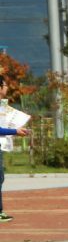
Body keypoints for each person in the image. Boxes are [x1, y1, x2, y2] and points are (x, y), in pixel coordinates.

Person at [0, 75, 32, 223]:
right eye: (5, 85)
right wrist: (15, 132)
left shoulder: (2, 106)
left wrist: (16, 130)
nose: (7, 88)